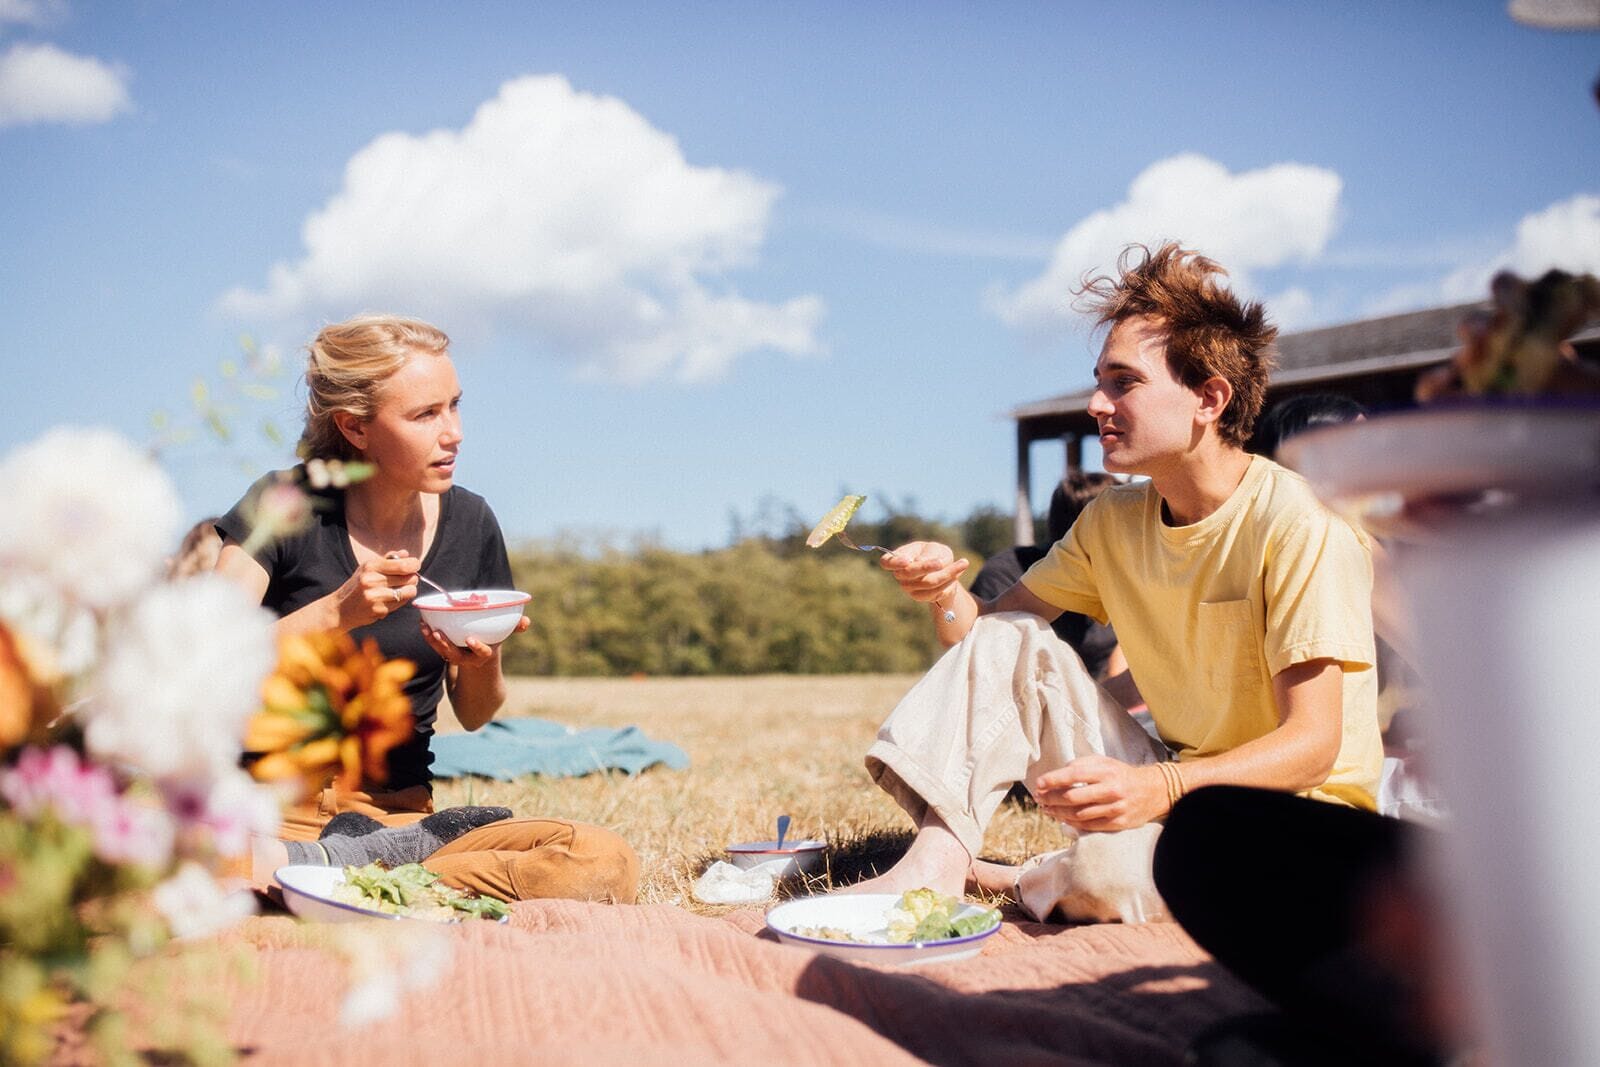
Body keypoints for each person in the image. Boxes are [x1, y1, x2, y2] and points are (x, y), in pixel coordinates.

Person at [851, 243, 1383, 924]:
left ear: (1209, 398)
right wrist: (943, 592)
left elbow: (1313, 748)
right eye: (1099, 381)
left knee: (1106, 874)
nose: (1096, 403)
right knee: (1015, 633)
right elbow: (986, 643)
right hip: (1184, 789)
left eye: (1124, 382)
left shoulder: (1302, 523)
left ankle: (1026, 879)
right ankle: (935, 866)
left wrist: (1158, 787)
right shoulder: (1112, 520)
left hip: (1301, 824)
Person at [215, 315, 638, 903]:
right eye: (425, 415)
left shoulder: (472, 522)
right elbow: (197, 662)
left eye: (454, 406)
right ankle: (368, 884)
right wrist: (335, 614)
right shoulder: (282, 504)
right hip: (261, 810)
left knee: (600, 861)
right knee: (145, 857)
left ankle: (326, 876)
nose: (454, 433)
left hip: (399, 825)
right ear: (354, 428)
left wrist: (483, 660)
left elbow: (476, 712)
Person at [968, 473, 1119, 679]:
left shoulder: (1124, 575)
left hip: (1097, 691)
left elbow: (1123, 661)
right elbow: (981, 650)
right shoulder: (1004, 575)